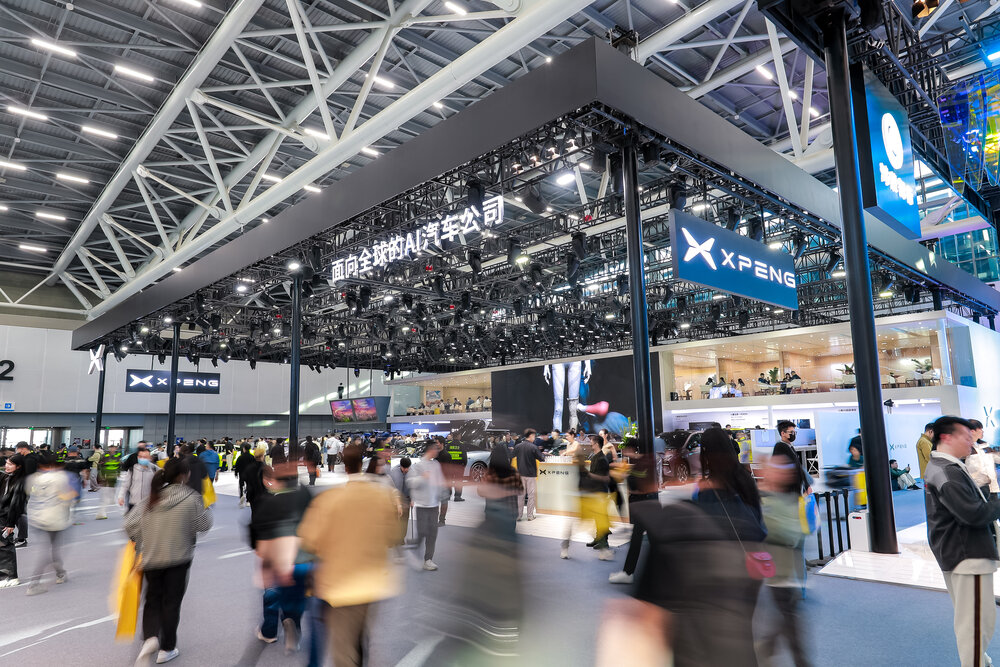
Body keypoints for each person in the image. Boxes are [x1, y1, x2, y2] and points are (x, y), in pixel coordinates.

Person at [298, 443, 399, 666]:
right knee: (360, 638)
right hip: (372, 582)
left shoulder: (329, 500)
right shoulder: (381, 497)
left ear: (344, 466)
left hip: (341, 586)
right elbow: (392, 536)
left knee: (343, 651)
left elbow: (309, 540)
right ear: (362, 463)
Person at [924, 416, 1000, 667]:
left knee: (973, 619)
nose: (971, 442)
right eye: (967, 437)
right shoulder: (947, 471)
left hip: (959, 553)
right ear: (946, 437)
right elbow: (973, 514)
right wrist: (996, 501)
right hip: (967, 554)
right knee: (977, 624)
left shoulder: (944, 467)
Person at [128, 457, 213, 666]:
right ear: (184, 475)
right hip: (179, 558)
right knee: (171, 603)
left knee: (152, 600)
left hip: (151, 558)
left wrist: (141, 539)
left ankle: (150, 637)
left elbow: (130, 524)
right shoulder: (191, 497)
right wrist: (207, 509)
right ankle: (166, 649)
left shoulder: (152, 498)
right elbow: (203, 525)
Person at [251, 462, 313, 653]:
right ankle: (293, 624)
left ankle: (269, 631)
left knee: (272, 592)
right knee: (296, 594)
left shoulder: (267, 501)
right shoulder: (304, 495)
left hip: (276, 556)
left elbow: (256, 531)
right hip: (302, 556)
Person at [759, 449, 812, 667]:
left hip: (789, 570)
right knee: (789, 617)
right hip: (775, 571)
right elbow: (783, 532)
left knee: (786, 615)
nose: (785, 473)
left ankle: (767, 647)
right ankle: (800, 661)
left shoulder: (789, 498)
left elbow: (797, 533)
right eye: (778, 469)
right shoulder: (764, 500)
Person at [24, 452, 76, 595]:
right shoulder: (60, 477)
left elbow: (30, 493)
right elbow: (67, 498)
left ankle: (60, 572)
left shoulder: (33, 478)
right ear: (53, 464)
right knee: (50, 550)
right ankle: (34, 584)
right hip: (55, 519)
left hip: (37, 518)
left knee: (50, 549)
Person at [407, 439, 446, 571]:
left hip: (434, 506)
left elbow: (440, 481)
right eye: (436, 448)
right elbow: (410, 483)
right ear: (430, 450)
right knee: (422, 532)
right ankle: (414, 549)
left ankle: (428, 560)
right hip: (422, 505)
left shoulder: (436, 465)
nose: (437, 451)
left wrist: (443, 497)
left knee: (432, 534)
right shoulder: (418, 465)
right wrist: (422, 477)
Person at [577, 435, 613, 560]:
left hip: (600, 492)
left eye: (591, 442)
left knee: (601, 517)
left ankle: (604, 542)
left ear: (596, 444)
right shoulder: (596, 457)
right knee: (598, 517)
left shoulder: (602, 459)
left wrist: (589, 475)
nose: (590, 444)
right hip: (596, 491)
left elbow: (605, 478)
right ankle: (598, 539)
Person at [0, 454, 27, 587]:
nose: (7, 466)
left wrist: (10, 523)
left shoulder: (20, 482)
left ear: (18, 467)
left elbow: (16, 504)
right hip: (1, 514)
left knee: (5, 546)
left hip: (6, 517)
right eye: (6, 463)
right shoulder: (6, 477)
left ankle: (10, 576)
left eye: (10, 464)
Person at [544, 360, 592, 431]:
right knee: (558, 408)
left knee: (573, 409)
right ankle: (556, 435)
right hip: (558, 359)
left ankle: (573, 433)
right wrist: (546, 364)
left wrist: (587, 362)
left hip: (575, 359)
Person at [775, 421, 814, 494]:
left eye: (794, 432)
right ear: (783, 433)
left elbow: (798, 466)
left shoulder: (789, 447)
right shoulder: (780, 447)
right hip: (788, 489)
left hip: (795, 486)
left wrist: (806, 485)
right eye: (791, 432)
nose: (794, 434)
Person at [513, 429, 543, 521]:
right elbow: (541, 458)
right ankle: (530, 516)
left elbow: (512, 455)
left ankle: (518, 516)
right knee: (531, 495)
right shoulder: (533, 447)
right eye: (534, 436)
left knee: (520, 496)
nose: (534, 438)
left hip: (520, 473)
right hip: (531, 474)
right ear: (530, 436)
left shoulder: (518, 446)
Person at [965, 419, 998, 495]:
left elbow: (996, 458)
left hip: (992, 487)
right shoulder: (965, 449)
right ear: (972, 431)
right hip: (976, 488)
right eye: (980, 429)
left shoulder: (985, 445)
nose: (982, 431)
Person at [388, 457, 412, 550]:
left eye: (407, 468)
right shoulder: (393, 472)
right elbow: (390, 487)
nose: (406, 470)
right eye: (404, 468)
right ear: (400, 466)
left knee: (404, 520)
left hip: (406, 499)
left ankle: (401, 538)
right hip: (394, 500)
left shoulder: (412, 472)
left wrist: (412, 498)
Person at [95, 443, 122, 520]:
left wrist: (118, 473)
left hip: (113, 477)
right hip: (105, 478)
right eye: (111, 448)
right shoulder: (105, 455)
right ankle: (101, 513)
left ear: (116, 448)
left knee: (111, 493)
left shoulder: (118, 456)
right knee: (105, 496)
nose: (112, 449)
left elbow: (119, 465)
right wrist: (101, 476)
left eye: (114, 448)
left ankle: (109, 503)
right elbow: (100, 466)